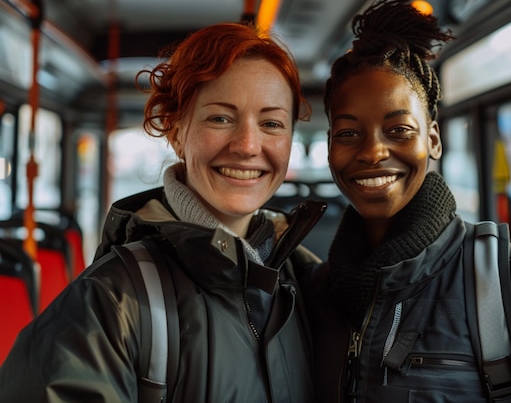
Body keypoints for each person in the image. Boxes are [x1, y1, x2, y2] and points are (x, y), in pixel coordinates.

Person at [298, 0, 511, 403]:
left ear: (433, 139)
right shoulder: (313, 293)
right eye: (347, 133)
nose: (372, 151)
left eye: (398, 130)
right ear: (328, 149)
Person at [0, 22, 326, 403]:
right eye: (220, 118)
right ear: (176, 130)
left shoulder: (304, 281)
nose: (248, 145)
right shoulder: (108, 303)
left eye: (271, 123)